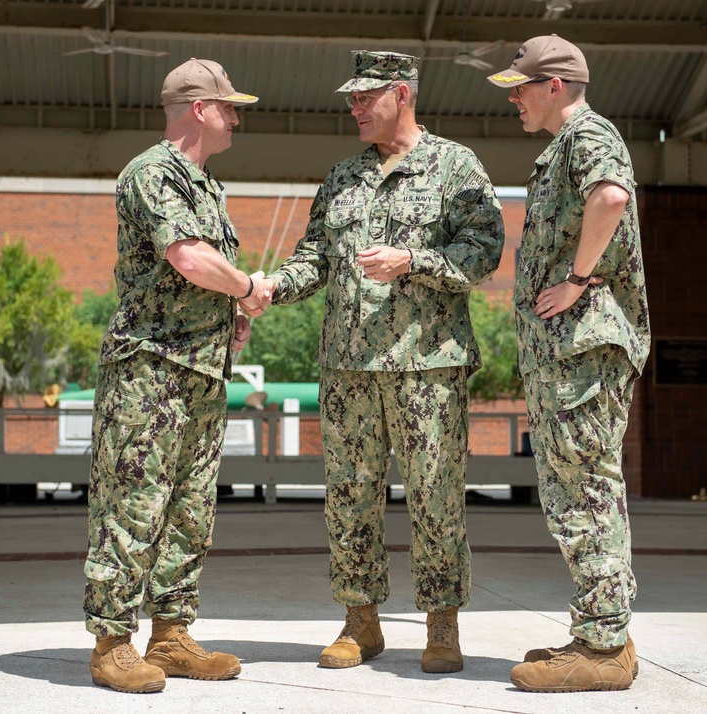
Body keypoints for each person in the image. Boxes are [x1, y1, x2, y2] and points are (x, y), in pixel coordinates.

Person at [265, 51, 504, 674]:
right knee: (349, 497)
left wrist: (413, 261)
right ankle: (359, 621)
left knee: (436, 497)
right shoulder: (342, 177)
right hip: (349, 370)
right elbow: (314, 256)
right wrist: (262, 290)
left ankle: (441, 626)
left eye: (366, 97)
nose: (355, 108)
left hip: (427, 366)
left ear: (402, 93)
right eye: (351, 98)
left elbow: (483, 252)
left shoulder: (455, 167)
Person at [83, 58, 270, 694]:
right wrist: (246, 288)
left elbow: (199, 272)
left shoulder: (205, 184)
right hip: (151, 369)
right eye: (229, 107)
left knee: (190, 506)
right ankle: (113, 641)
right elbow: (188, 256)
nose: (236, 117)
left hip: (201, 367)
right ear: (198, 108)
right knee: (134, 500)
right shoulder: (152, 172)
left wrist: (231, 315)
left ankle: (170, 634)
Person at [486, 35, 650, 693]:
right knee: (571, 487)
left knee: (584, 487)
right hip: (568, 354)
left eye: (520, 88)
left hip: (584, 347)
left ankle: (606, 646)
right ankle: (597, 632)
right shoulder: (567, 145)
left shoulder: (587, 136)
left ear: (554, 85)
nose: (514, 100)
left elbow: (610, 197)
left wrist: (579, 279)